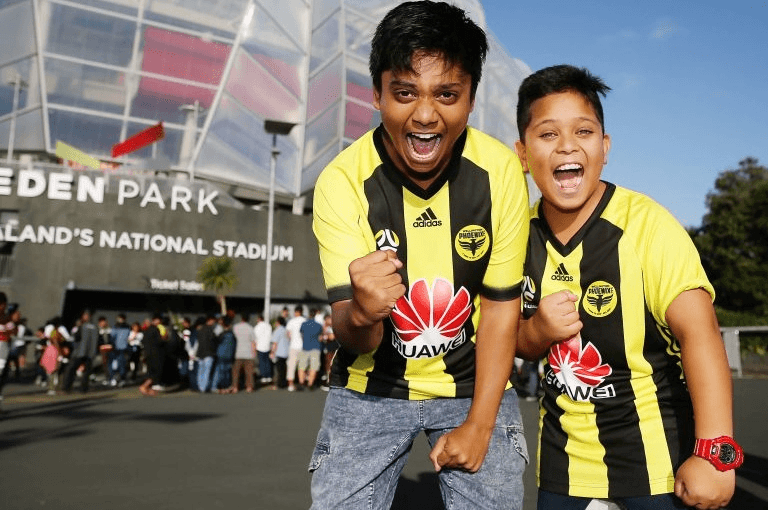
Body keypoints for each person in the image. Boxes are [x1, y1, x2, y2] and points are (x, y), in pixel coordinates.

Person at [309, 2, 530, 507]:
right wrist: (364, 309)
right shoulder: (342, 182)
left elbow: (499, 309)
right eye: (404, 93)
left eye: (446, 94)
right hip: (369, 388)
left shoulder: (499, 172)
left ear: (471, 98)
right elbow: (349, 330)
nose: (425, 115)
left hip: (474, 385)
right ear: (377, 94)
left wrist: (479, 424)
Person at [513, 64, 740, 510]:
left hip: (657, 464)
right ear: (522, 154)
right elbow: (513, 339)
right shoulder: (515, 234)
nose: (567, 146)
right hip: (563, 468)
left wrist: (716, 453)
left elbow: (701, 334)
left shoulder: (648, 226)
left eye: (584, 131)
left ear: (605, 146)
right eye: (547, 134)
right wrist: (537, 332)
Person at [62, 310, 100, 393]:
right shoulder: (96, 327)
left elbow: (76, 338)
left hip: (80, 352)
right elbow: (98, 340)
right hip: (90, 352)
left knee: (71, 369)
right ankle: (84, 389)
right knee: (87, 371)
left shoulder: (82, 326)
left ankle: (67, 387)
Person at [228, 314, 256, 393]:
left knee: (236, 371)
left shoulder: (235, 327)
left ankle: (235, 387)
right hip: (248, 353)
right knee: (249, 372)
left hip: (237, 352)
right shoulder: (250, 328)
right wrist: (254, 353)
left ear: (241, 318)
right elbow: (253, 342)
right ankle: (249, 387)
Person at [139, 314, 165, 396]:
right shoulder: (155, 330)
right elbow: (159, 341)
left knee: (150, 371)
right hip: (155, 354)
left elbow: (143, 342)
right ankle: (144, 386)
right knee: (155, 372)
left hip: (147, 354)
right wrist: (163, 338)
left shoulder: (146, 331)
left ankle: (148, 389)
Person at [297, 310, 323, 390]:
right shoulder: (318, 325)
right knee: (313, 367)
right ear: (315, 315)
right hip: (316, 347)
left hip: (305, 347)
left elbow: (301, 334)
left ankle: (301, 383)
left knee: (302, 366)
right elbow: (321, 336)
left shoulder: (304, 324)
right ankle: (310, 384)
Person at [194, 315, 218, 392]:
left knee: (200, 370)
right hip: (208, 353)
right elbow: (213, 341)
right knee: (206, 371)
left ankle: (200, 386)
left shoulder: (199, 330)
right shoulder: (210, 329)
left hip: (200, 353)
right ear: (209, 320)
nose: (214, 322)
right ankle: (204, 387)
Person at [285, 305, 306, 392]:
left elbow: (288, 334)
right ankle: (301, 383)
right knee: (302, 366)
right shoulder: (305, 321)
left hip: (293, 346)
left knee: (291, 366)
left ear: (296, 312)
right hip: (303, 347)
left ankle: (291, 385)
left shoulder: (291, 321)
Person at [213, 316, 236, 393]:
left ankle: (221, 387)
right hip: (229, 355)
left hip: (221, 354)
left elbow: (216, 343)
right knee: (227, 371)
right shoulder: (232, 334)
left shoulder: (221, 334)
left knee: (221, 371)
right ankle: (227, 386)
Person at [108, 314, 131, 386]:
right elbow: (112, 337)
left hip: (123, 349)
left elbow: (129, 338)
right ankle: (113, 378)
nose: (120, 320)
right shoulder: (115, 327)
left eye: (122, 318)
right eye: (119, 318)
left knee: (122, 365)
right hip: (115, 349)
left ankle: (122, 379)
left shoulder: (127, 327)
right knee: (113, 365)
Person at [253, 314, 273, 384]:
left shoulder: (256, 327)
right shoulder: (268, 326)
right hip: (267, 346)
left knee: (261, 362)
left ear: (259, 319)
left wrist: (254, 347)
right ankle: (269, 376)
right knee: (267, 361)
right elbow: (270, 336)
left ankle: (263, 376)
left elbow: (255, 338)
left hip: (260, 346)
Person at [270, 316, 289, 390]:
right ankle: (283, 383)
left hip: (279, 353)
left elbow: (275, 343)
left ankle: (278, 384)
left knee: (278, 370)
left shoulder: (277, 330)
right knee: (283, 369)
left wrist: (272, 352)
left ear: (278, 322)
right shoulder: (285, 330)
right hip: (286, 352)